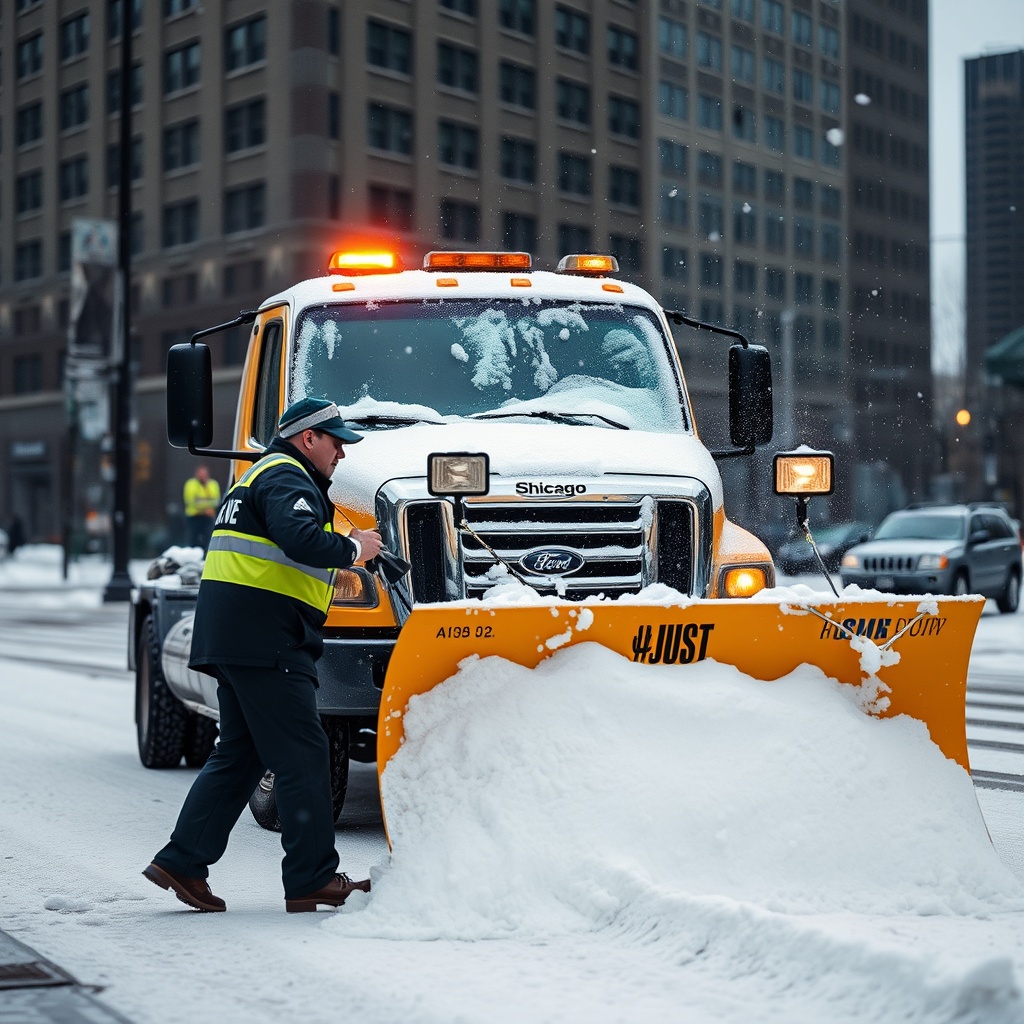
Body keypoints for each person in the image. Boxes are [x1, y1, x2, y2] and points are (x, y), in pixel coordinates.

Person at [144, 398, 384, 913]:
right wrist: (353, 550)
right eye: (335, 439)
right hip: (266, 638)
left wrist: (346, 540)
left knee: (241, 754)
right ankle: (312, 877)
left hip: (239, 636)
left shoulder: (266, 477)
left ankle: (183, 861)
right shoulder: (285, 475)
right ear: (308, 439)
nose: (341, 451)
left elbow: (285, 538)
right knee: (303, 754)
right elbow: (298, 537)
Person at [183, 464, 221, 551]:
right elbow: (190, 501)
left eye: (204, 474)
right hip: (194, 517)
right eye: (200, 474)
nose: (202, 476)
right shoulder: (190, 484)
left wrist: (201, 502)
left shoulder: (213, 484)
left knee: (208, 538)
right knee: (193, 539)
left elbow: (216, 501)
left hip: (208, 517)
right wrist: (206, 508)